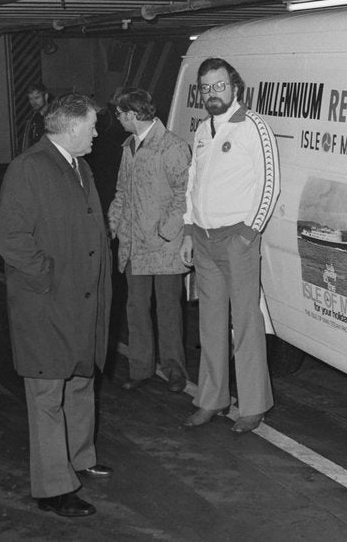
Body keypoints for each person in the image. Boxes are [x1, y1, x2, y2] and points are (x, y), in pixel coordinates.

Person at [0, 93, 113, 518]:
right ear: (69, 127)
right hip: (47, 303)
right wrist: (49, 278)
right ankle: (52, 488)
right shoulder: (29, 168)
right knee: (47, 392)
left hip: (81, 299)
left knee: (81, 378)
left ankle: (81, 457)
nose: (98, 133)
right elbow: (12, 240)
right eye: (91, 126)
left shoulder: (78, 165)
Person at [180, 57, 280, 434]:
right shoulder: (203, 129)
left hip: (237, 240)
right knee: (210, 325)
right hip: (203, 241)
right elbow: (193, 182)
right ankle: (212, 399)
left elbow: (269, 183)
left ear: (234, 87)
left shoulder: (253, 126)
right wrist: (189, 229)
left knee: (246, 323)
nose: (213, 94)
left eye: (219, 86)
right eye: (206, 88)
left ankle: (253, 405)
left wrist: (248, 233)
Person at [108, 88, 191, 394]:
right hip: (134, 246)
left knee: (168, 310)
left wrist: (163, 233)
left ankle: (175, 371)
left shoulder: (172, 147)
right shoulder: (128, 147)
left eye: (120, 113)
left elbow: (184, 196)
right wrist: (112, 225)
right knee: (136, 307)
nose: (117, 118)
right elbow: (121, 193)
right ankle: (141, 369)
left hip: (164, 247)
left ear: (134, 114)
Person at [20, 83, 52, 152]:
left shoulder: (55, 116)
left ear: (46, 97)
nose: (33, 102)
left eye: (37, 98)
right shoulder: (31, 118)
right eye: (30, 99)